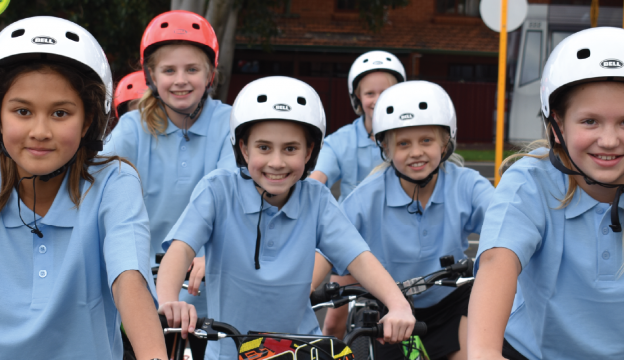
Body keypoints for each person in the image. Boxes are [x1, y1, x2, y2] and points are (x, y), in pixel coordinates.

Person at [156, 76, 416, 360]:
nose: (276, 162)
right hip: (229, 351)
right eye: (264, 147)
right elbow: (180, 249)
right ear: (243, 149)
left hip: (301, 348)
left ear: (309, 152)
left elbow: (359, 257)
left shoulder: (316, 199)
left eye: (290, 149)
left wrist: (397, 304)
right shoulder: (218, 190)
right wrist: (170, 300)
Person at [468, 27, 624, 360]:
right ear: (557, 124)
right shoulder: (530, 181)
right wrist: (483, 351)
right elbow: (496, 261)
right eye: (589, 121)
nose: (608, 140)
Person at [0, 16, 166, 359]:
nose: (40, 131)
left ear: (88, 119)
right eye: (22, 111)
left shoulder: (114, 182)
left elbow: (129, 277)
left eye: (60, 113)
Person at [101, 12, 235, 356]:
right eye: (169, 70)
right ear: (151, 76)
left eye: (192, 69)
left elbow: (230, 192)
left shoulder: (230, 122)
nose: (181, 80)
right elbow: (100, 183)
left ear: (210, 75)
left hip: (208, 279)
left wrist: (207, 251)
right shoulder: (132, 127)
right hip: (141, 281)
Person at [331, 81, 493, 360]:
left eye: (426, 141)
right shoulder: (367, 195)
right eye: (403, 144)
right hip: (392, 311)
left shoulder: (466, 184)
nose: (416, 152)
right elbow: (329, 244)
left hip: (452, 304)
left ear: (445, 142)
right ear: (385, 147)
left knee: (477, 351)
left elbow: (506, 224)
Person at [309, 50, 405, 202]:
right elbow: (318, 177)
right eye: (370, 94)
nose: (378, 100)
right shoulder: (340, 141)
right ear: (358, 97)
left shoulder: (413, 137)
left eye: (385, 92)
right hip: (350, 223)